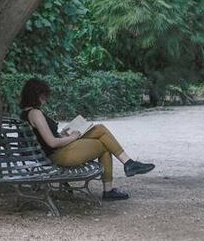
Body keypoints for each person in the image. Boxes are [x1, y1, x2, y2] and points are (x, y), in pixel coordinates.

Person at [20, 77, 154, 201]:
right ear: (35, 95)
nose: (45, 100)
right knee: (105, 144)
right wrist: (73, 137)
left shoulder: (27, 113)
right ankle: (118, 178)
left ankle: (128, 165)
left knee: (100, 129)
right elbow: (52, 143)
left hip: (55, 153)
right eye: (43, 96)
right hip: (58, 155)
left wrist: (62, 135)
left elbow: (45, 139)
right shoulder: (35, 113)